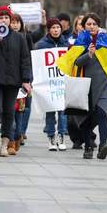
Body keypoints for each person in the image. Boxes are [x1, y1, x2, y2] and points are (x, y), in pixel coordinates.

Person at [58, 13, 107, 160]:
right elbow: (75, 63)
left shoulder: (106, 40)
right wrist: (88, 54)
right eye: (89, 24)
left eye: (94, 24)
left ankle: (103, 146)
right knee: (86, 119)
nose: (92, 27)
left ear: (98, 26)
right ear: (83, 26)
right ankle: (88, 146)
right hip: (85, 86)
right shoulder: (80, 41)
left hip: (104, 85)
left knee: (102, 114)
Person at [0, 5, 32, 157]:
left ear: (10, 20)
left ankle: (5, 143)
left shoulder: (19, 37)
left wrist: (26, 80)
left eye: (6, 18)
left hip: (13, 82)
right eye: (1, 18)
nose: (4, 20)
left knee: (9, 111)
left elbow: (25, 59)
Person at [36, 17, 69, 151]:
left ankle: (61, 136)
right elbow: (38, 64)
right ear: (49, 30)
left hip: (62, 83)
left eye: (58, 28)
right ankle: (51, 137)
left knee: (62, 112)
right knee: (50, 111)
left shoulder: (66, 45)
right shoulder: (42, 45)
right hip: (48, 84)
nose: (56, 30)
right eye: (53, 28)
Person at [9, 12, 35, 155]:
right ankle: (11, 140)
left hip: (24, 80)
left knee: (21, 110)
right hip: (9, 80)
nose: (15, 25)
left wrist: (28, 80)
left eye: (17, 22)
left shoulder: (26, 37)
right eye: (12, 22)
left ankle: (19, 134)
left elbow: (29, 59)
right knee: (10, 110)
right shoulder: (3, 37)